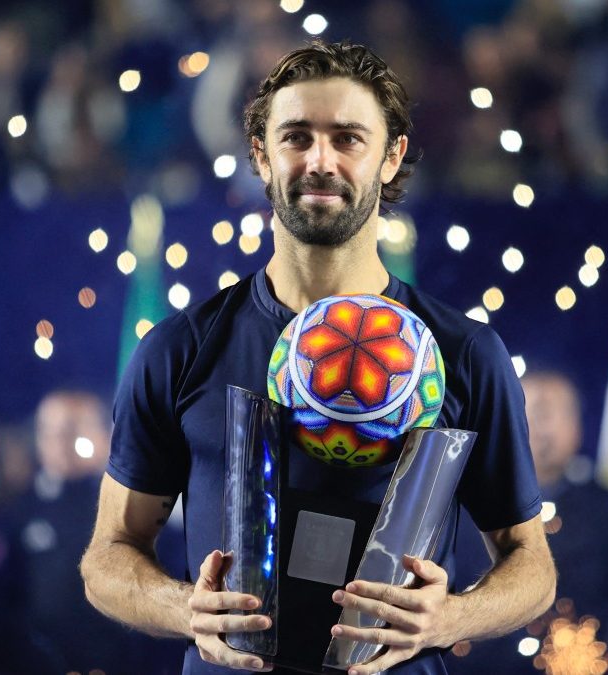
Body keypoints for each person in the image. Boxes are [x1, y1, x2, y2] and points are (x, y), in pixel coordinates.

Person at [81, 40, 557, 675]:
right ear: (261, 155)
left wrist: (451, 617)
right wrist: (182, 608)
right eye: (297, 137)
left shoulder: (465, 354)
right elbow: (107, 557)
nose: (320, 160)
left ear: (392, 158)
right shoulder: (181, 349)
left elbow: (533, 567)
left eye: (348, 138)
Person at [447, 371, 608, 673]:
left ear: (578, 426)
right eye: (533, 411)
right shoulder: (467, 499)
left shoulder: (603, 507)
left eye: (558, 412)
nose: (544, 426)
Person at [0, 390, 184, 673]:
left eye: (72, 429)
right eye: (49, 432)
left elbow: (165, 589)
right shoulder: (19, 512)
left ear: (104, 434)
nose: (60, 442)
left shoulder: (135, 506)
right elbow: (5, 602)